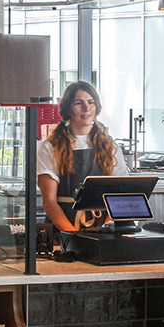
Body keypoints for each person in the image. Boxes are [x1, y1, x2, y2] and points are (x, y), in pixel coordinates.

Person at [36, 81, 126, 233]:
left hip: (102, 230)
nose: (86, 108)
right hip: (63, 230)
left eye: (91, 102)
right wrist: (73, 236)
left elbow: (120, 195)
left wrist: (104, 229)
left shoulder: (110, 146)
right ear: (68, 109)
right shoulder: (50, 147)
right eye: (79, 103)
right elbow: (49, 202)